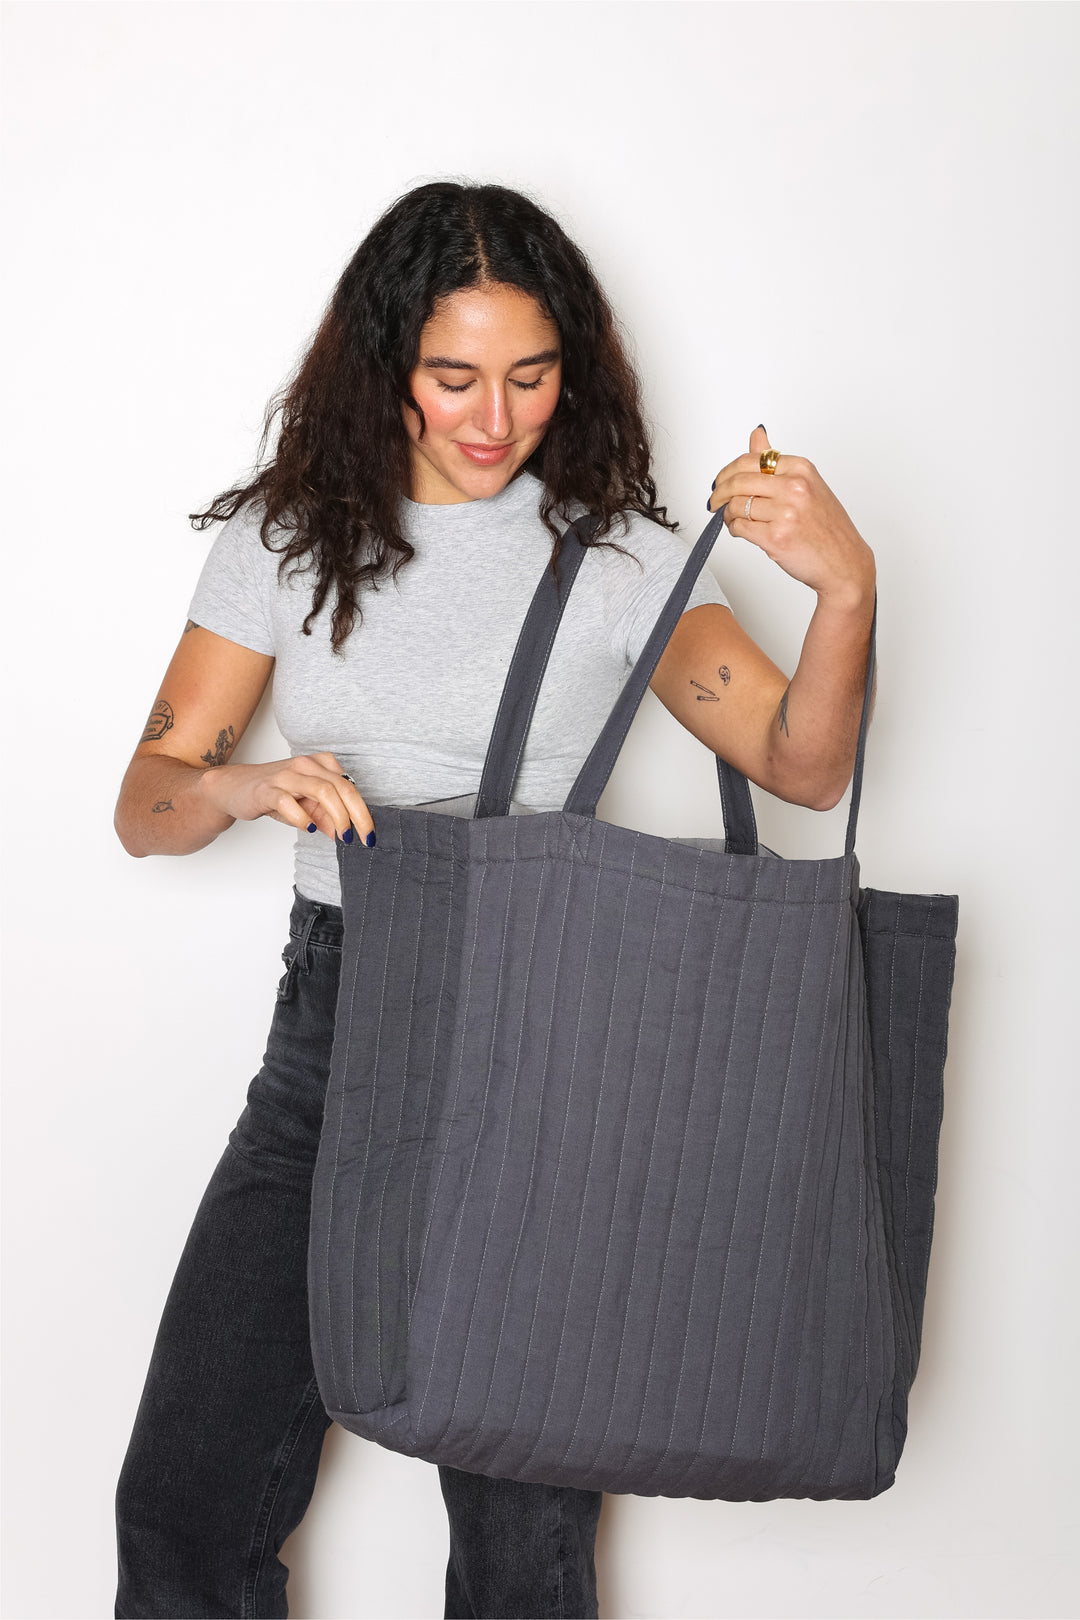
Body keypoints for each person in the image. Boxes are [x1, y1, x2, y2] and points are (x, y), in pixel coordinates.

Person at [112, 180, 876, 1620]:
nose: (493, 417)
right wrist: (239, 787)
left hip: (546, 1053)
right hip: (331, 1036)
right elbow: (145, 804)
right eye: (453, 376)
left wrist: (845, 592)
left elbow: (802, 765)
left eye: (531, 375)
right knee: (184, 1502)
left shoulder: (616, 557)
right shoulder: (283, 542)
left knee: (522, 1539)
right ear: (384, 363)